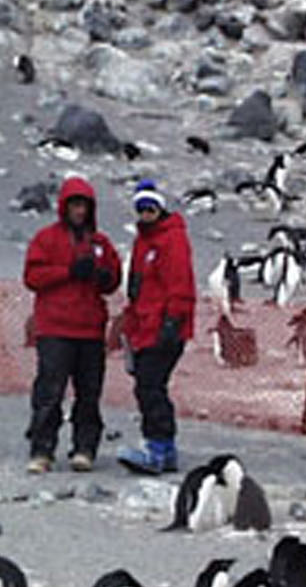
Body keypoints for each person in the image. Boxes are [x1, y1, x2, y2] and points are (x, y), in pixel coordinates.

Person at [22, 174, 122, 474]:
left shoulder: (101, 243)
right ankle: (42, 450)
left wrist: (106, 278)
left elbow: (114, 277)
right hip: (55, 328)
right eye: (75, 204)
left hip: (90, 330)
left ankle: (85, 448)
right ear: (65, 207)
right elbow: (32, 277)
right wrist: (68, 271)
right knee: (49, 393)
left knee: (89, 394)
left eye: (84, 206)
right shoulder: (47, 239)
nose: (80, 211)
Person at [118, 179, 195, 475]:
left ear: (160, 209)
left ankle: (158, 447)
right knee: (149, 385)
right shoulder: (143, 241)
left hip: (163, 327)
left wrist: (173, 322)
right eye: (141, 209)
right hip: (144, 326)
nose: (146, 213)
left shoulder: (171, 239)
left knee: (150, 386)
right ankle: (165, 449)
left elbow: (181, 283)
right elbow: (138, 287)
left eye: (151, 208)